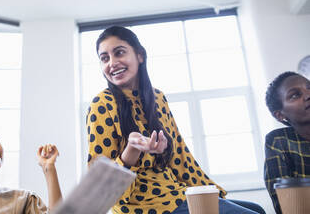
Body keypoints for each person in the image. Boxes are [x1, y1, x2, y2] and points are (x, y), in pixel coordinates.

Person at [86, 26, 264, 214]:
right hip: (139, 206)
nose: (112, 63)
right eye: (104, 58)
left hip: (176, 194)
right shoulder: (101, 104)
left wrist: (212, 194)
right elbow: (100, 187)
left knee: (256, 209)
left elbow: (180, 156)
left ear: (140, 55)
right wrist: (132, 150)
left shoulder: (158, 98)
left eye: (119, 53)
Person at [264, 71, 310, 214]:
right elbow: (285, 205)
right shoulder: (278, 140)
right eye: (295, 95)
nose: (308, 95)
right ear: (280, 115)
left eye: (309, 87)